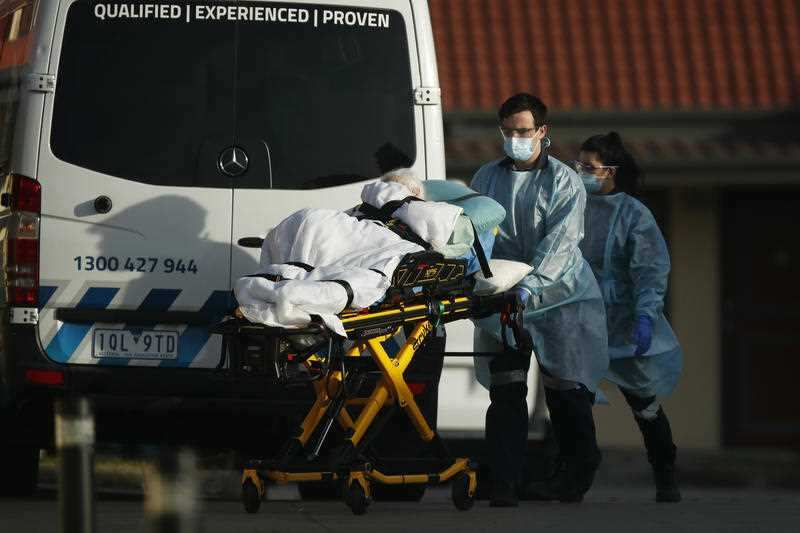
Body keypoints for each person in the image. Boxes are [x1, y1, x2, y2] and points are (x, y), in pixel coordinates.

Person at [470, 93, 609, 505]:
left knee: (566, 392)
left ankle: (575, 472)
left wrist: (531, 285)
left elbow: (561, 244)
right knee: (507, 388)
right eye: (508, 131)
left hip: (560, 297)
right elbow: (475, 235)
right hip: (505, 294)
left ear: (542, 132)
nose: (516, 138)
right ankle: (504, 482)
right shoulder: (486, 178)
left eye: (524, 131)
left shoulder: (564, 181)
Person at [576, 132, 683, 503]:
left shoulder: (633, 214)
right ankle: (572, 475)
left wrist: (646, 316)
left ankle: (665, 472)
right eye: (579, 167)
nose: (582, 174)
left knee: (643, 402)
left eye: (589, 168)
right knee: (571, 400)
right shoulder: (574, 206)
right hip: (580, 318)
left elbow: (650, 270)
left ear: (610, 171)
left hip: (622, 320)